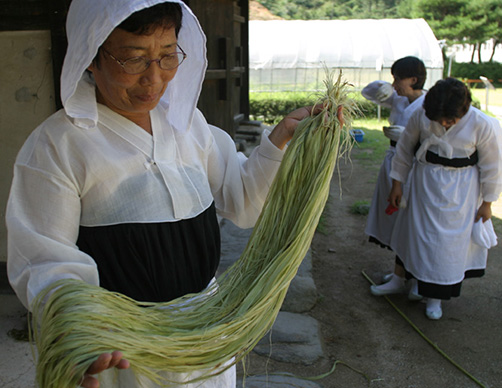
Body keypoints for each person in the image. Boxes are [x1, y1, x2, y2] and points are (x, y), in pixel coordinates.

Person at [5, 1, 337, 387]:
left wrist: (279, 141)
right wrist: (81, 331)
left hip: (205, 333)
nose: (154, 78)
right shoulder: (59, 145)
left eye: (167, 57)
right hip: (124, 347)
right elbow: (44, 259)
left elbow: (243, 202)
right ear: (90, 57)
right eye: (133, 59)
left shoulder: (188, 125)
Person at [388, 77, 502, 320]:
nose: (443, 123)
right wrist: (397, 184)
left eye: (449, 120)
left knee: (446, 244)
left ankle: (435, 297)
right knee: (419, 236)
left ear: (464, 110)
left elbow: (493, 165)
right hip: (425, 182)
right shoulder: (421, 115)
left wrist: (488, 202)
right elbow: (405, 149)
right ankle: (416, 282)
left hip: (462, 189)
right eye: (438, 119)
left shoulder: (482, 124)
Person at [361, 56, 427, 299]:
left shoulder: (428, 103)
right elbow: (367, 92)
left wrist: (409, 138)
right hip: (393, 159)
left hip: (415, 165)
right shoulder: (397, 98)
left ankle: (417, 277)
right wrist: (383, 87)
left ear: (413, 79)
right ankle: (400, 274)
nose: (395, 83)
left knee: (413, 223)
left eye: (398, 78)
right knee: (395, 221)